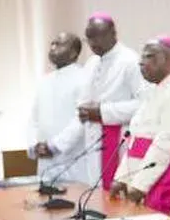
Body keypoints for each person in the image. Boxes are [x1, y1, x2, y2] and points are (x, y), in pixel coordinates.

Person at [51, 12, 146, 190]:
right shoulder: (92, 63)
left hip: (119, 139)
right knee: (96, 194)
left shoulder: (130, 60)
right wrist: (84, 111)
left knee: (116, 197)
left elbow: (145, 105)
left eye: (97, 37)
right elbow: (83, 103)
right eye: (89, 38)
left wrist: (103, 112)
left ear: (112, 33)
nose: (93, 43)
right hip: (94, 139)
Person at [110, 37, 170, 219]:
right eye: (142, 58)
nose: (141, 62)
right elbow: (135, 141)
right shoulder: (153, 91)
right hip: (143, 180)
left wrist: (140, 185)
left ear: (169, 59)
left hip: (167, 180)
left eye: (149, 57)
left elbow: (167, 142)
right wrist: (122, 178)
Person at [27, 32, 88, 184]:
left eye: (59, 44)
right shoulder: (45, 81)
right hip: (45, 160)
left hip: (71, 159)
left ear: (74, 52)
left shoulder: (84, 78)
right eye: (52, 44)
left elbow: (81, 119)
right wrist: (34, 145)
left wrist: (55, 146)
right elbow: (33, 119)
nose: (53, 48)